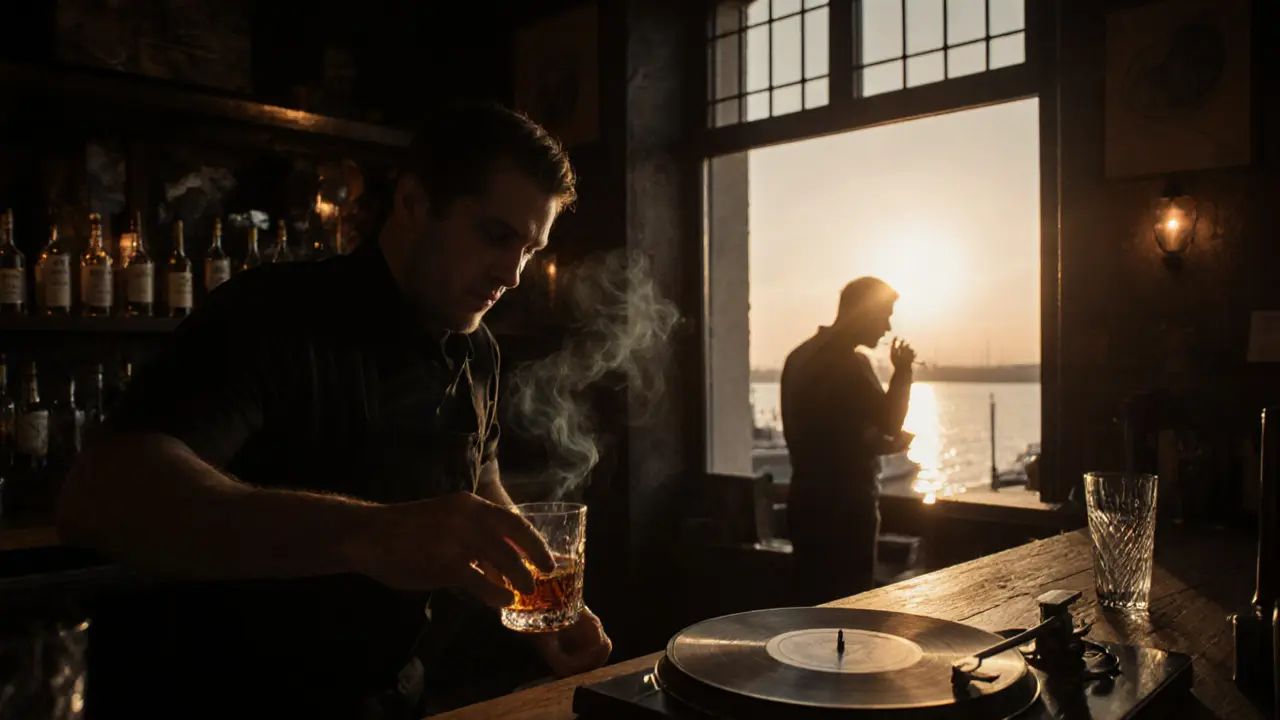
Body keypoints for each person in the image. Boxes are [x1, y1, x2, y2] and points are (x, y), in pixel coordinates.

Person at [55, 104, 612, 718]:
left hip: (401, 698)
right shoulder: (271, 316)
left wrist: (530, 586)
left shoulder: (477, 349)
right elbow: (103, 494)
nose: (512, 274)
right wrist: (368, 533)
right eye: (496, 235)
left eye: (530, 249)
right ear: (413, 202)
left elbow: (479, 477)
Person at [780, 277, 915, 605]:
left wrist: (867, 442)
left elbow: (829, 432)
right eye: (884, 314)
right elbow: (889, 421)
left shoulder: (799, 358)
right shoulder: (849, 364)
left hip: (806, 502)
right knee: (849, 608)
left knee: (809, 605)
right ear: (863, 312)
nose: (887, 326)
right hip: (847, 511)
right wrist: (903, 371)